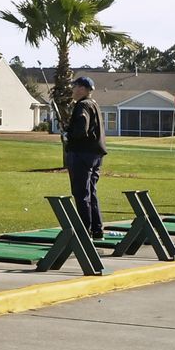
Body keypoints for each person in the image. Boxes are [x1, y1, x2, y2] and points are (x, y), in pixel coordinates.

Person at [63, 76, 106, 240]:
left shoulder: (82, 106)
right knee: (91, 192)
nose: (73, 90)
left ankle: (84, 231)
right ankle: (97, 229)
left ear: (82, 88)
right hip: (95, 154)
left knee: (81, 193)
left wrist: (69, 134)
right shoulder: (94, 104)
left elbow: (82, 128)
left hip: (82, 154)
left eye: (74, 87)